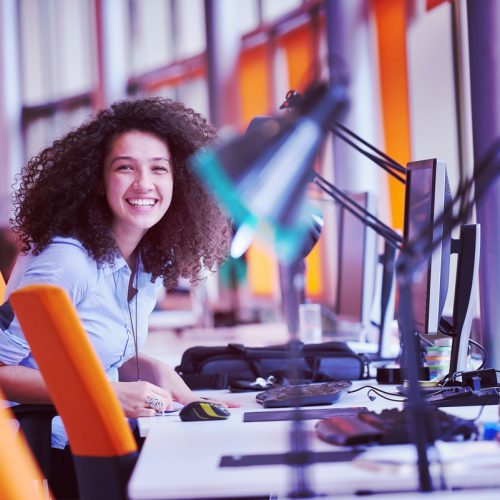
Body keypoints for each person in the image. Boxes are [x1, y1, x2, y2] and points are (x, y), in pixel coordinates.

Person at [0, 97, 239, 496]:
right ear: (97, 180)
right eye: (125, 167)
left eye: (159, 169)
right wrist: (105, 391)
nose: (144, 184)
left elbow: (87, 349)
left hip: (112, 435)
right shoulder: (68, 262)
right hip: (67, 456)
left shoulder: (143, 261)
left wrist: (156, 371)